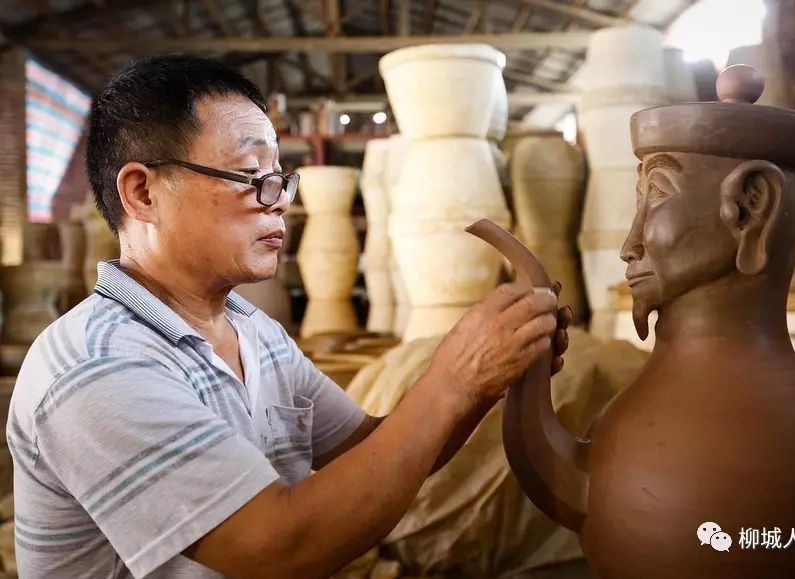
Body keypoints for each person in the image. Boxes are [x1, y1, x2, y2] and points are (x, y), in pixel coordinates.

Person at [7, 55, 572, 578]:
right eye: (252, 176)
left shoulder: (256, 333)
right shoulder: (96, 368)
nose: (280, 199)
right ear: (143, 193)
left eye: (282, 177)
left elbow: (375, 449)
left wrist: (485, 378)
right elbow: (280, 546)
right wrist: (455, 375)